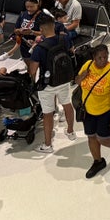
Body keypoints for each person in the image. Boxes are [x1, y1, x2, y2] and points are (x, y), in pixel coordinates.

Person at [75, 43, 110, 179]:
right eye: (99, 58)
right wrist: (83, 76)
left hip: (106, 111)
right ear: (93, 57)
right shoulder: (87, 66)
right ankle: (98, 161)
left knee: (102, 138)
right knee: (91, 136)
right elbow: (77, 81)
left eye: (105, 57)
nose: (103, 60)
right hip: (88, 110)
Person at [29, 11, 77, 153]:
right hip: (64, 79)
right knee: (67, 104)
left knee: (48, 113)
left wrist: (33, 83)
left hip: (47, 84)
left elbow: (32, 70)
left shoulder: (39, 48)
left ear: (42, 29)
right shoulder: (64, 39)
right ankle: (70, 131)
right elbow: (72, 52)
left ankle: (48, 144)